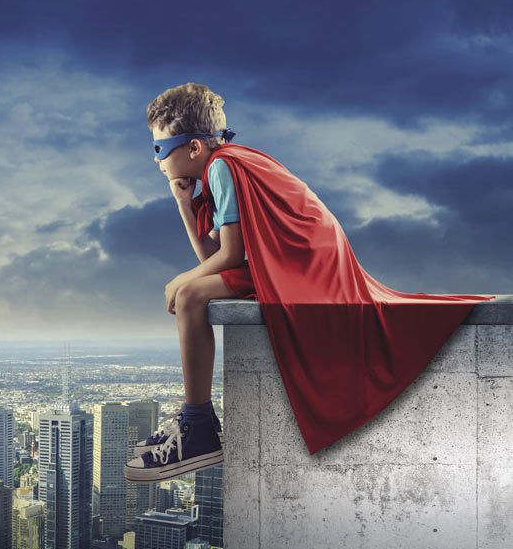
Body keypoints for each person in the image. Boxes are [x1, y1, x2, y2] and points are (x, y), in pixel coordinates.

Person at [123, 82, 494, 484]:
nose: (156, 160)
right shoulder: (225, 165)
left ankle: (199, 427)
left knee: (189, 292)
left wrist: (179, 280)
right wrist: (182, 203)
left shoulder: (222, 167)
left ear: (193, 148)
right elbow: (211, 256)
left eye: (160, 148)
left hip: (303, 262)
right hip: (295, 257)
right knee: (190, 289)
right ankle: (198, 421)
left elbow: (226, 258)